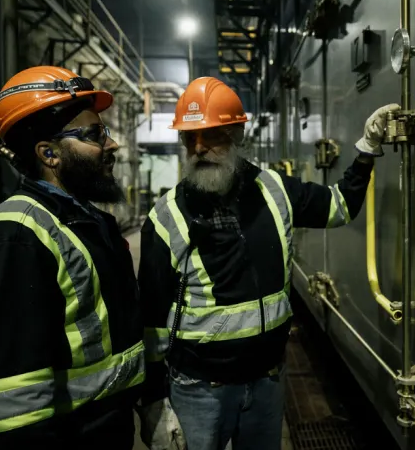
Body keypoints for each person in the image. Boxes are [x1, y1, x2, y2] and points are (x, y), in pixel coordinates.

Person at [138, 76, 398, 450]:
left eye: (210, 134)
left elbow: (339, 207)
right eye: (189, 138)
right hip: (200, 390)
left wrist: (367, 148)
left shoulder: (275, 190)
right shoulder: (166, 217)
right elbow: (150, 317)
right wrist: (154, 401)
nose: (198, 147)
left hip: (267, 380)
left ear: (235, 133)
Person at [0, 66, 145, 449]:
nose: (111, 146)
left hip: (106, 429)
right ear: (49, 154)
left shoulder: (86, 221)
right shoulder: (15, 238)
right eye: (94, 135)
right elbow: (12, 407)